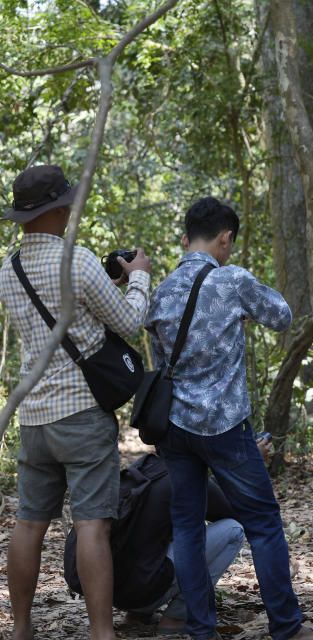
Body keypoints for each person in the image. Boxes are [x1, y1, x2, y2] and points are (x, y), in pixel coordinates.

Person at [145, 197, 313, 640]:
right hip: (225, 426)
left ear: (188, 235)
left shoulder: (162, 290)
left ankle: (199, 629)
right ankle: (287, 626)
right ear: (225, 237)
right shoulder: (232, 280)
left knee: (187, 526)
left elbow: (159, 358)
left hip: (175, 428)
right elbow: (282, 318)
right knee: (263, 524)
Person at [0, 164, 151, 640]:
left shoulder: (8, 269)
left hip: (34, 417)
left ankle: (21, 629)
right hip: (82, 413)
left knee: (29, 525)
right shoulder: (78, 261)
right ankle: (102, 632)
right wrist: (141, 278)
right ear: (59, 208)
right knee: (92, 526)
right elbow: (128, 322)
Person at [63, 453, 245, 636]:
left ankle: (138, 615)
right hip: (143, 591)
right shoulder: (187, 476)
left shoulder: (144, 467)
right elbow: (235, 513)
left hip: (103, 590)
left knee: (157, 531)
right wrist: (236, 470)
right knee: (233, 530)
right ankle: (177, 617)